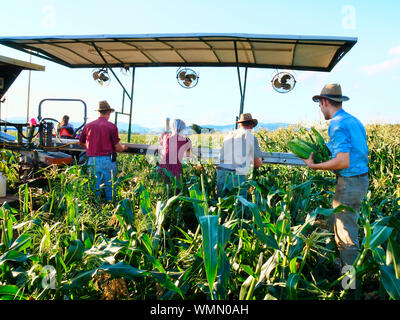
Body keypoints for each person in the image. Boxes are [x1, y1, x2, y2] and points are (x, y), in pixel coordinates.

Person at [302, 83, 369, 267]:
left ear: (324, 102)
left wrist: (315, 166)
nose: (320, 110)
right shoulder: (353, 121)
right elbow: (353, 150)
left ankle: (350, 286)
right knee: (337, 223)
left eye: (319, 106)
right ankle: (341, 268)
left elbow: (342, 161)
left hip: (349, 182)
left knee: (345, 233)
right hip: (360, 180)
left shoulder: (337, 124)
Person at [78, 100, 127, 202]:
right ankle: (111, 207)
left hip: (92, 160)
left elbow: (81, 142)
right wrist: (124, 148)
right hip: (107, 159)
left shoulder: (88, 126)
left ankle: (96, 208)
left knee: (94, 186)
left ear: (99, 112)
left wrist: (91, 146)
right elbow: (118, 148)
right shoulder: (111, 126)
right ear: (108, 112)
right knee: (110, 186)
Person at [217, 113, 263, 199]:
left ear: (239, 125)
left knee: (222, 203)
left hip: (221, 172)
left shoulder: (228, 135)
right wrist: (261, 161)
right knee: (238, 205)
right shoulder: (250, 137)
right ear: (252, 125)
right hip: (236, 175)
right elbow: (257, 163)